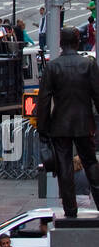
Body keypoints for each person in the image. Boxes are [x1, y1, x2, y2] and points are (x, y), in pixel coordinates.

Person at [36, 25, 99, 216]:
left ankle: (70, 210)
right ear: (78, 41)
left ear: (61, 43)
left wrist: (43, 129)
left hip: (60, 125)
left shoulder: (53, 66)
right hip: (83, 123)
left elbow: (44, 101)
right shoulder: (88, 64)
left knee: (64, 166)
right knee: (90, 162)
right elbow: (97, 95)